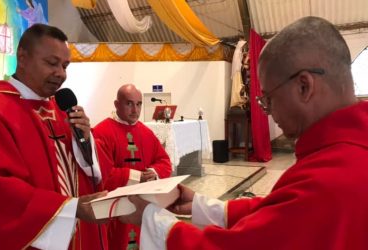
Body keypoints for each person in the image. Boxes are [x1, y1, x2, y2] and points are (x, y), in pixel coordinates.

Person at [120, 16, 368, 249]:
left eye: (268, 99)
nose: (268, 112)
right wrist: (201, 206)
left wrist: (151, 218)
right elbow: (281, 212)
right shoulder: (349, 150)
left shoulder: (325, 182)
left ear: (304, 86)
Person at [0, 24, 109, 249]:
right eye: (51, 63)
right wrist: (71, 208)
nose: (61, 73)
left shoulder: (62, 109)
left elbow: (88, 173)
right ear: (22, 57)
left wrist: (85, 142)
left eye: (65, 66)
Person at [93, 84, 172, 250]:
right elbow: (102, 175)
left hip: (143, 205)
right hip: (116, 209)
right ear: (116, 104)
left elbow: (164, 161)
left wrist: (153, 172)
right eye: (129, 103)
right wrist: (137, 177)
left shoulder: (146, 132)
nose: (135, 110)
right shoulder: (101, 132)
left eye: (139, 104)